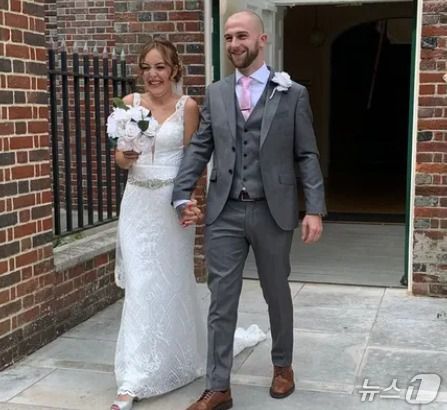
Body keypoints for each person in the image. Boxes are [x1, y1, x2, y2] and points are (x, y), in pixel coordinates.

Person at [173, 10, 326, 410]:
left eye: (241, 36)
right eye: (228, 38)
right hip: (224, 212)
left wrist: (314, 208)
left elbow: (306, 154)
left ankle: (282, 366)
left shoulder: (292, 93)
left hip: (273, 211)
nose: (233, 44)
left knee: (277, 292)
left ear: (262, 39)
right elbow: (200, 146)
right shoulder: (216, 93)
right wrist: (180, 193)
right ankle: (218, 386)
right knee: (221, 299)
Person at [111, 38, 204, 410]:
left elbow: (192, 163)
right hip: (137, 205)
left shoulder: (188, 107)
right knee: (140, 285)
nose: (153, 75)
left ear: (174, 69)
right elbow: (120, 159)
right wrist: (127, 155)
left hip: (171, 207)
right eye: (146, 68)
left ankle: (176, 359)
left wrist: (188, 203)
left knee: (172, 283)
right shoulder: (129, 104)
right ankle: (132, 378)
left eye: (160, 67)